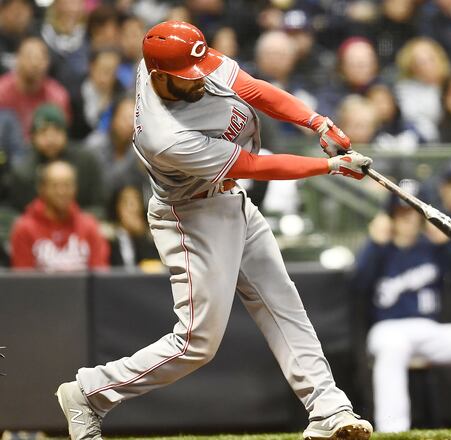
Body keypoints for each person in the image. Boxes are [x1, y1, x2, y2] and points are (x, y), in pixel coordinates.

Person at [54, 21, 373, 440]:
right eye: (189, 77)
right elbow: (253, 165)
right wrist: (328, 167)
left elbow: (252, 89)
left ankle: (328, 408)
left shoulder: (176, 56)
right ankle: (89, 393)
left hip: (227, 197)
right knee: (195, 344)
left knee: (283, 302)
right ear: (160, 77)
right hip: (190, 217)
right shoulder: (164, 135)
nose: (202, 78)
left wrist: (317, 122)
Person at [353, 191, 451, 433]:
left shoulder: (432, 248)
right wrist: (373, 244)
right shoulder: (380, 248)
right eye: (402, 214)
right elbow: (358, 287)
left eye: (413, 214)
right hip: (388, 328)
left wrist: (445, 245)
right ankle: (393, 430)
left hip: (428, 328)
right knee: (395, 348)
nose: (409, 220)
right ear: (390, 217)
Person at [9, 160, 109, 271]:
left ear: (75, 188)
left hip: (83, 288)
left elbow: (100, 275)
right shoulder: (24, 228)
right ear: (42, 189)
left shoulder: (89, 226)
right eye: (55, 186)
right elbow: (21, 281)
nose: (61, 192)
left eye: (67, 185)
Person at [8, 104, 103, 211]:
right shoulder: (22, 170)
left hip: (79, 223)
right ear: (32, 137)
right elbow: (14, 212)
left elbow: (99, 206)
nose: (50, 139)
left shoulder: (86, 161)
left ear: (66, 134)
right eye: (43, 132)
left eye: (57, 131)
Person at [0, 36, 71, 140]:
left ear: (47, 63)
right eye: (29, 57)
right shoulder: (2, 91)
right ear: (17, 59)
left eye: (39, 58)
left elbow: (61, 136)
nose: (34, 63)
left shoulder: (57, 96)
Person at [395, 37, 451, 143]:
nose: (426, 66)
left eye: (430, 60)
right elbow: (411, 117)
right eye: (420, 62)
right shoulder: (404, 90)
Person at [105, 184, 159, 268]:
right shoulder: (109, 239)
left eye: (138, 201)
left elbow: (153, 267)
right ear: (117, 207)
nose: (135, 208)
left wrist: (143, 235)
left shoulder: (148, 238)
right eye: (129, 203)